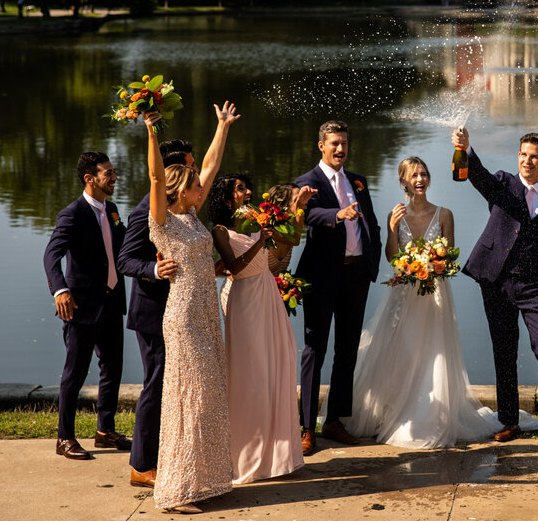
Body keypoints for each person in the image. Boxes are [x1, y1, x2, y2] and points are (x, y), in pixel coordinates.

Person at [333, 156, 512, 448]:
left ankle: (431, 416)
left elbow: (450, 256)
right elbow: (392, 258)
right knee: (400, 350)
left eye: (424, 174)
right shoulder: (397, 213)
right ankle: (393, 412)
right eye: (414, 175)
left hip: (435, 296)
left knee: (433, 353)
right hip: (403, 293)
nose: (420, 180)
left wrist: (432, 262)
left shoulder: (444, 214)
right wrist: (392, 228)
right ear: (403, 181)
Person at [144, 103, 239, 514]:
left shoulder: (194, 216)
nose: (205, 186)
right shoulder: (162, 221)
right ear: (181, 190)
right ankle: (176, 490)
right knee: (191, 398)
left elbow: (214, 163)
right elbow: (152, 176)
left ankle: (204, 481)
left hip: (205, 313)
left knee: (210, 397)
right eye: (197, 184)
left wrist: (221, 127)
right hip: (183, 317)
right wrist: (150, 133)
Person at [453, 125, 538, 453]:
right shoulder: (503, 184)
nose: (527, 161)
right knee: (503, 352)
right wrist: (466, 148)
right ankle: (509, 421)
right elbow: (477, 176)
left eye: (534, 157)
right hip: (498, 283)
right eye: (523, 155)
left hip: (537, 288)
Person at [294, 120, 383, 454]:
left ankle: (334, 421)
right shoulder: (308, 181)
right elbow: (310, 214)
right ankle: (306, 428)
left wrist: (371, 264)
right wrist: (338, 214)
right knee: (314, 351)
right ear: (321, 145)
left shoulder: (357, 179)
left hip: (356, 275)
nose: (341, 149)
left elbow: (370, 222)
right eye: (334, 143)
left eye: (344, 143)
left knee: (347, 351)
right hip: (321, 277)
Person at [209, 173, 305, 483]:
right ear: (227, 199)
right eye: (240, 189)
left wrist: (294, 214)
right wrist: (260, 242)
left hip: (267, 294)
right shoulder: (220, 230)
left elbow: (291, 240)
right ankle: (246, 454)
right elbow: (233, 267)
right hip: (244, 297)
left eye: (247, 186)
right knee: (251, 374)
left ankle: (278, 455)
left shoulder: (255, 217)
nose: (248, 192)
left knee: (279, 363)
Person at [114, 138, 193, 488]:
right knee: (156, 383)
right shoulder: (145, 210)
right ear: (171, 172)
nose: (195, 175)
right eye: (190, 168)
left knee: (173, 384)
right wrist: (155, 270)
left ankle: (166, 454)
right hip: (152, 312)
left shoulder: (181, 209)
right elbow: (125, 261)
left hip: (179, 311)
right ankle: (140, 465)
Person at [43, 151, 130, 460]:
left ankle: (105, 430)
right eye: (109, 174)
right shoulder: (72, 214)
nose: (115, 178)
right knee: (74, 373)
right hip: (81, 306)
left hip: (111, 301)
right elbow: (51, 256)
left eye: (113, 172)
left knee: (113, 367)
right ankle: (64, 437)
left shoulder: (114, 210)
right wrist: (60, 290)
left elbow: (122, 252)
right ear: (89, 178)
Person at [261, 183, 316, 277]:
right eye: (297, 199)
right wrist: (300, 206)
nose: (302, 201)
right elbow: (295, 240)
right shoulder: (268, 230)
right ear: (282, 205)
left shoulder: (290, 228)